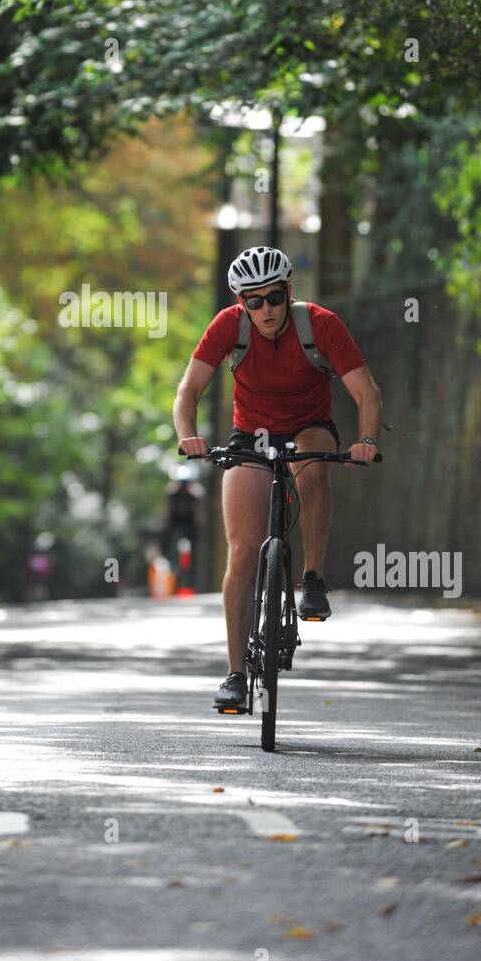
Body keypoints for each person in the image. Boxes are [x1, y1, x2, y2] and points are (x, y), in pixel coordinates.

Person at [172, 245, 384, 712]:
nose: (266, 309)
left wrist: (366, 439)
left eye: (274, 297)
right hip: (251, 434)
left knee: (311, 464)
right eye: (254, 300)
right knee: (244, 553)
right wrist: (189, 436)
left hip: (309, 425)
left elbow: (365, 392)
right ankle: (234, 674)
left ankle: (311, 579)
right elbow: (188, 390)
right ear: (241, 303)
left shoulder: (321, 324)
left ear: (289, 292)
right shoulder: (229, 326)